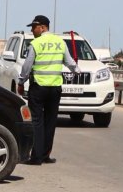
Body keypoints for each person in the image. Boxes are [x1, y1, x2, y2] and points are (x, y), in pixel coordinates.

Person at [17, 15, 80, 165]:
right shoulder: (60, 42)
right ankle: (46, 155)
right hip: (55, 88)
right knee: (50, 122)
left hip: (39, 87)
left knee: (37, 122)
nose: (32, 30)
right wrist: (77, 70)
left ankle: (36, 157)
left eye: (34, 27)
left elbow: (27, 66)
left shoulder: (36, 43)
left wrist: (21, 81)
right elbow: (70, 62)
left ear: (43, 27)